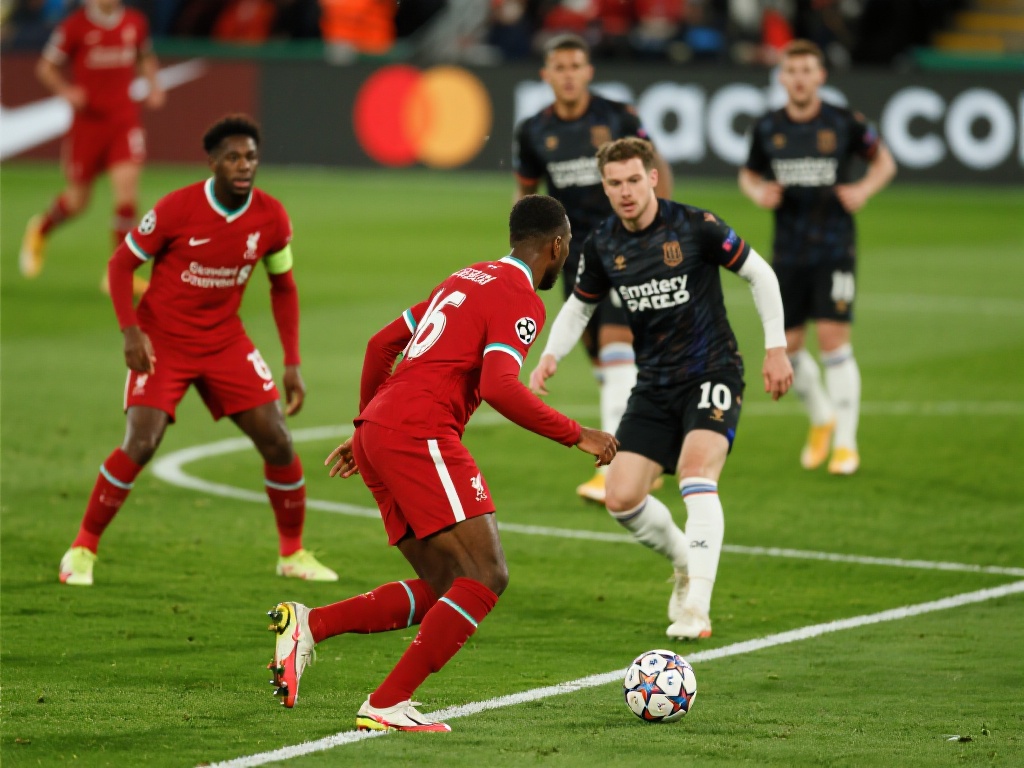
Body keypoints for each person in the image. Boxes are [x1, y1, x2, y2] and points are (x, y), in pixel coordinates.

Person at [266, 195, 618, 732]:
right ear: (556, 246)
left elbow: (380, 345)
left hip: (382, 430)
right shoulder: (521, 298)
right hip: (420, 431)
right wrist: (578, 435)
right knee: (487, 575)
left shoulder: (465, 277)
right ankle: (387, 702)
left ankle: (310, 626)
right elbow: (499, 385)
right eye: (566, 248)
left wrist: (367, 425)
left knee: (446, 582)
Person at [529, 137, 793, 640]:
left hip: (712, 372)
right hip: (653, 385)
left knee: (696, 474)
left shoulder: (696, 226)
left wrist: (776, 347)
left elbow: (760, 275)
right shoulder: (603, 244)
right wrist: (550, 355)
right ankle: (684, 562)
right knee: (621, 497)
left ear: (652, 178)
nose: (626, 191)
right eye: (615, 183)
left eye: (634, 180)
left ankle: (697, 608)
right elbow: (580, 306)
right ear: (604, 187)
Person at [57, 114, 337, 587]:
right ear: (213, 163)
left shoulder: (271, 217)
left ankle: (292, 554)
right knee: (142, 442)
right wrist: (130, 332)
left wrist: (292, 362)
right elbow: (121, 265)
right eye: (233, 157)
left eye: (251, 157)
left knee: (278, 439)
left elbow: (283, 287)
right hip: (163, 340)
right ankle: (82, 549)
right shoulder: (177, 208)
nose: (244, 165)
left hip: (224, 340)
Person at [513, 32, 673, 504]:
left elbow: (655, 169)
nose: (568, 75)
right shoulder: (534, 130)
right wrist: (528, 251)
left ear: (588, 71)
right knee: (603, 360)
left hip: (624, 245)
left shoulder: (617, 117)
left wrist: (657, 226)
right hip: (572, 255)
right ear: (546, 75)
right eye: (559, 67)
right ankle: (648, 454)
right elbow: (527, 194)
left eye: (575, 66)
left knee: (618, 347)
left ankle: (616, 469)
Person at [739, 39, 896, 475]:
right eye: (792, 71)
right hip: (787, 251)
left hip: (834, 247)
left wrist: (864, 189)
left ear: (821, 76)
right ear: (782, 77)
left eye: (808, 70)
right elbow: (748, 174)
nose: (800, 79)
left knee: (833, 341)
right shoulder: (768, 127)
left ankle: (845, 444)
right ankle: (822, 418)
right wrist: (758, 192)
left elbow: (884, 162)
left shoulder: (844, 122)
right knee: (788, 348)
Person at [20, 0, 166, 295]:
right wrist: (66, 91)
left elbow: (145, 56)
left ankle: (118, 275)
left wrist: (154, 85)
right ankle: (41, 228)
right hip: (88, 125)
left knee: (126, 195)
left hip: (123, 120)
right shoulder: (74, 27)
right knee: (77, 202)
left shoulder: (135, 23)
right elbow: (45, 67)